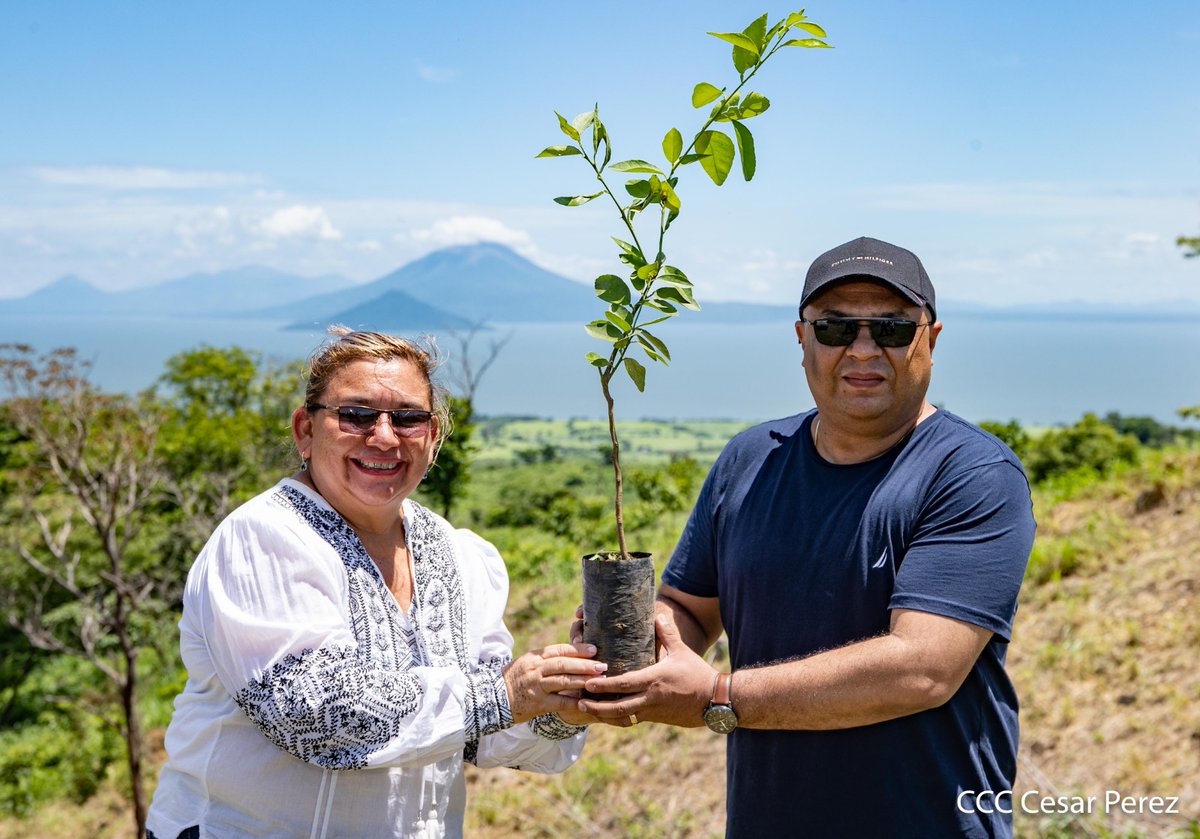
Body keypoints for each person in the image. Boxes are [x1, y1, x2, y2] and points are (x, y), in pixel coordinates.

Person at [576, 237, 1037, 837]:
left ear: (932, 339)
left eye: (892, 329)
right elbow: (691, 606)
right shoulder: (750, 460)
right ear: (802, 340)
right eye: (836, 328)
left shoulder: (972, 475)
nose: (863, 349)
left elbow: (921, 669)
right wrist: (638, 644)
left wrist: (714, 695)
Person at [147, 328, 600, 839]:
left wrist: (563, 698)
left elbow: (482, 734)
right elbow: (315, 716)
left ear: (432, 438)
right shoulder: (264, 539)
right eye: (356, 414)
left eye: (408, 418)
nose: (384, 436)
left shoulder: (463, 556)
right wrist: (505, 694)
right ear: (305, 430)